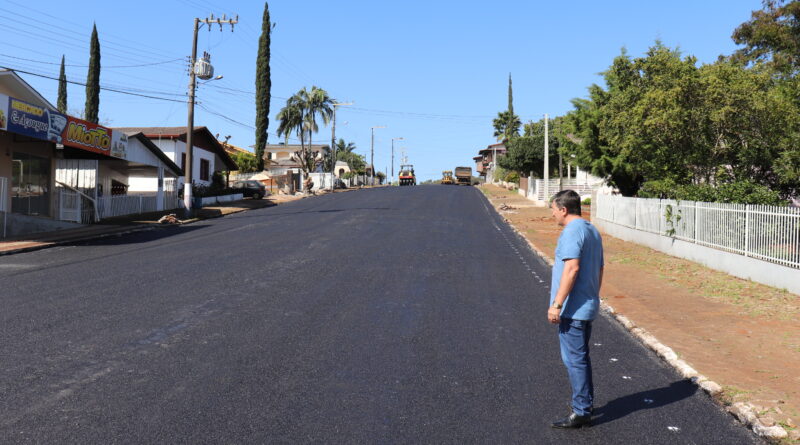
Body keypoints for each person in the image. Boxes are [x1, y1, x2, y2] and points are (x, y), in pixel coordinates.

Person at [547, 190, 604, 429]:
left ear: (563, 209)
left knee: (574, 360)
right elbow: (600, 268)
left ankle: (581, 411)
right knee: (579, 358)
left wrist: (557, 303)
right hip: (587, 303)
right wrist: (592, 295)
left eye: (553, 209)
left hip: (573, 308)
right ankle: (584, 405)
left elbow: (572, 268)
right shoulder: (591, 229)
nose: (552, 214)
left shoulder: (572, 231)